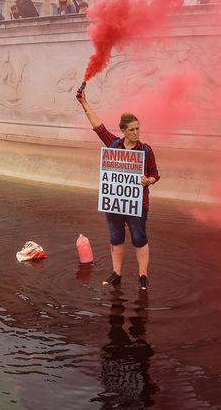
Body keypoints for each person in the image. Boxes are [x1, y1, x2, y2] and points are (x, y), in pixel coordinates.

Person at [76, 87, 159, 291]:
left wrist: (148, 181)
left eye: (138, 128)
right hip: (114, 202)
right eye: (132, 129)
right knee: (116, 237)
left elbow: (156, 174)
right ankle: (116, 273)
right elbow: (98, 127)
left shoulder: (146, 150)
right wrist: (84, 103)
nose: (136, 132)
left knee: (139, 238)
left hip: (137, 203)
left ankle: (142, 276)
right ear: (123, 131)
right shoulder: (113, 145)